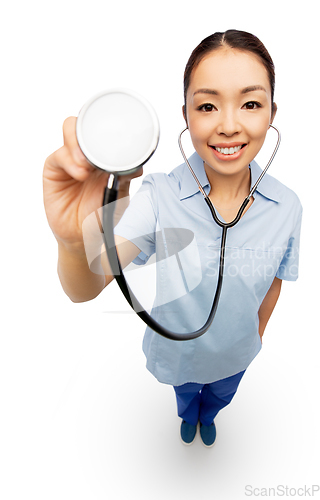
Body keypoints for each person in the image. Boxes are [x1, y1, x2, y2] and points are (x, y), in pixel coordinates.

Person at [43, 29, 302, 448]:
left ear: (272, 112)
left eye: (251, 103)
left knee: (221, 396)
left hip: (237, 355)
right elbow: (85, 287)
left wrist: (255, 335)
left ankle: (210, 414)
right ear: (186, 115)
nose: (229, 125)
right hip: (179, 357)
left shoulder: (287, 206)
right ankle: (189, 413)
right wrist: (75, 245)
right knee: (186, 396)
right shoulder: (157, 197)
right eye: (207, 105)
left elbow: (274, 281)